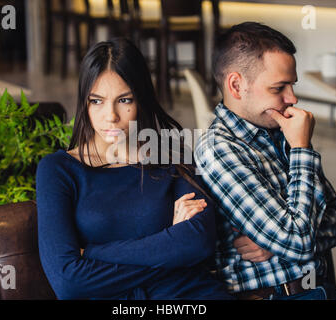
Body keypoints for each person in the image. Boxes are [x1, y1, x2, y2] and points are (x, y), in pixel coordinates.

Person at [35, 38, 232, 300]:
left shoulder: (172, 155)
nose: (111, 116)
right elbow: (68, 282)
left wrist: (93, 253)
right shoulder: (58, 170)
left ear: (141, 99)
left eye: (124, 100)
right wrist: (169, 244)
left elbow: (198, 242)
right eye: (97, 101)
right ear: (84, 102)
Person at [194, 22, 336, 300]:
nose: (293, 98)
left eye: (292, 85)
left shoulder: (280, 130)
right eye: (279, 87)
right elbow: (298, 242)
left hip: (320, 289)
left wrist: (276, 245)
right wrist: (301, 148)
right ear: (237, 85)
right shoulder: (219, 150)